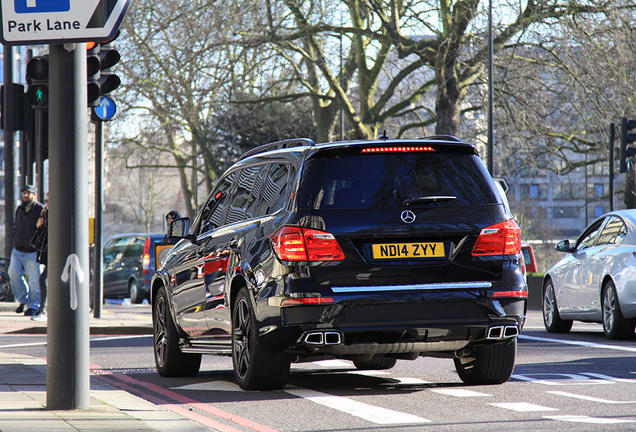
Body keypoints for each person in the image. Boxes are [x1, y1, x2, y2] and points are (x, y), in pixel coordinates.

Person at [8, 185, 44, 317]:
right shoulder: (20, 209)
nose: (25, 196)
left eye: (29, 193)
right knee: (13, 273)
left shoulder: (40, 209)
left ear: (35, 195)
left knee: (35, 279)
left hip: (32, 251)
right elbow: (15, 226)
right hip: (17, 250)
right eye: (24, 193)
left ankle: (34, 306)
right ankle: (23, 301)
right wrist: (14, 238)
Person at [30, 193, 48, 321]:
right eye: (46, 200)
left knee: (44, 279)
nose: (47, 203)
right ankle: (43, 310)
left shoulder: (56, 214)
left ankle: (42, 310)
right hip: (47, 253)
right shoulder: (45, 214)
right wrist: (38, 226)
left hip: (56, 253)